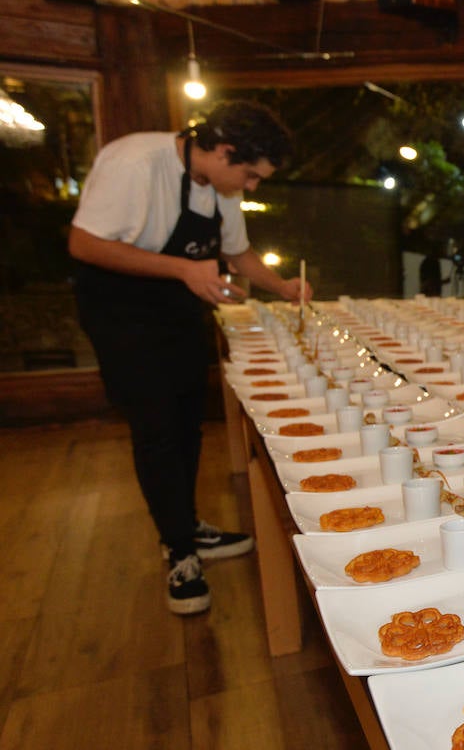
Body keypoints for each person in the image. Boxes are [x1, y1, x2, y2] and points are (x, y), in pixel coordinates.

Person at [69, 100, 312, 615]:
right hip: (121, 308)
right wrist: (184, 269)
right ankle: (179, 552)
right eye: (248, 175)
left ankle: (186, 522)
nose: (250, 187)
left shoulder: (219, 185)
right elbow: (84, 244)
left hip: (177, 305)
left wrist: (283, 287)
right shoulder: (136, 162)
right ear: (223, 151)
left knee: (186, 419)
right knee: (155, 428)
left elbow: (236, 252)